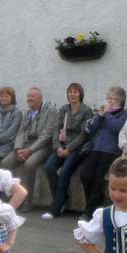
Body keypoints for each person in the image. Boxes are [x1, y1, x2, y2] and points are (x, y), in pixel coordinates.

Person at [41, 83, 93, 220]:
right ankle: (62, 197)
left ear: (80, 94)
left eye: (75, 92)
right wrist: (57, 146)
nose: (72, 94)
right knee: (49, 167)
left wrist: (69, 149)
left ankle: (56, 208)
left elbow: (84, 134)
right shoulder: (64, 109)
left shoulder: (86, 111)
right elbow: (56, 129)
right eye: (70, 92)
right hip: (61, 146)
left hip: (76, 149)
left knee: (65, 171)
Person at [78, 87, 127, 220]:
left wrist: (106, 115)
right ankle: (92, 206)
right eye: (108, 98)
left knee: (98, 179)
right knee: (84, 173)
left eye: (113, 99)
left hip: (110, 151)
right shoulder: (103, 113)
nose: (110, 101)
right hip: (95, 149)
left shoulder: (124, 115)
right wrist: (99, 116)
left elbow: (116, 128)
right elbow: (90, 130)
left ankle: (89, 212)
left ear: (121, 101)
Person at [2, 87, 57, 210]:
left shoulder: (50, 112)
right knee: (5, 163)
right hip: (25, 146)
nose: (29, 99)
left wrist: (30, 150)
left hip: (43, 147)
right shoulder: (27, 112)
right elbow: (21, 132)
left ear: (40, 98)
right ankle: (9, 198)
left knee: (29, 164)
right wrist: (18, 148)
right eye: (28, 96)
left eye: (32, 96)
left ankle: (27, 201)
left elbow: (46, 135)